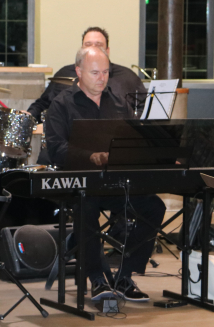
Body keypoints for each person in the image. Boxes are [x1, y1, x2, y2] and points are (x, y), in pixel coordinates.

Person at [45, 46, 166, 302]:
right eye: (95, 72)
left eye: (106, 72)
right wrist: (90, 156)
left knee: (154, 206)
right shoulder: (61, 104)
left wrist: (159, 155)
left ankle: (124, 275)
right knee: (85, 206)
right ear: (78, 72)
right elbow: (56, 149)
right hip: (79, 184)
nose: (102, 78)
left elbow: (134, 140)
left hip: (114, 183)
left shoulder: (119, 103)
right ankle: (97, 278)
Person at [28, 26, 147, 123]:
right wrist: (29, 115)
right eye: (88, 44)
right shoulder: (64, 73)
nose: (93, 49)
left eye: (99, 45)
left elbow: (144, 108)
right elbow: (43, 103)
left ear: (108, 50)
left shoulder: (127, 77)